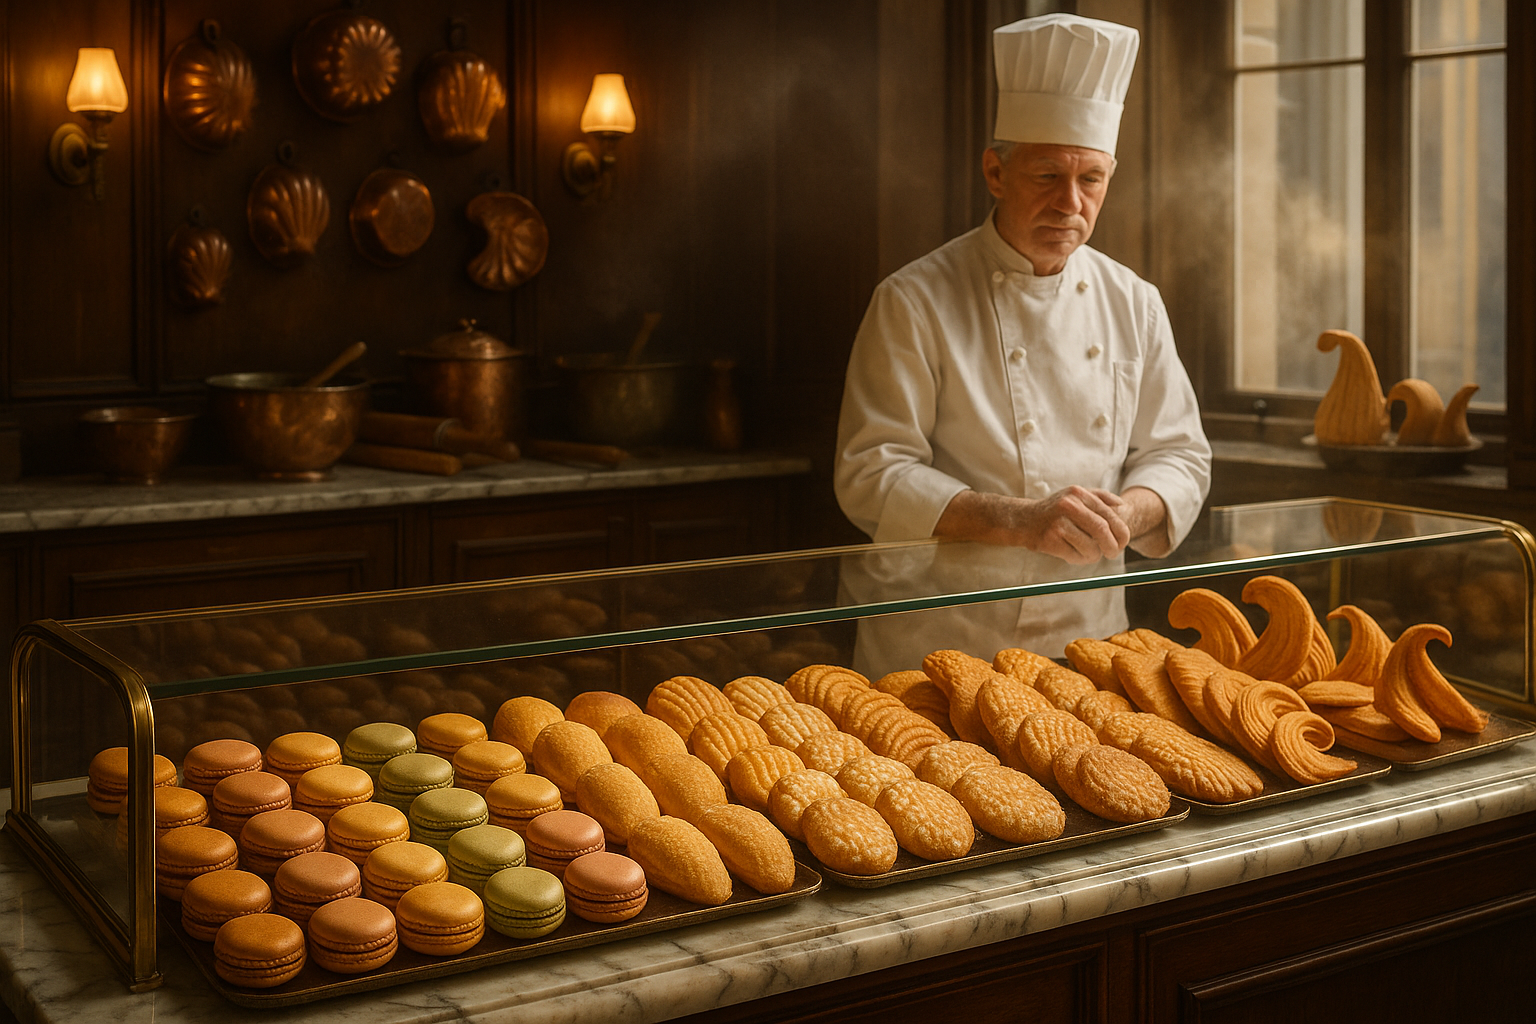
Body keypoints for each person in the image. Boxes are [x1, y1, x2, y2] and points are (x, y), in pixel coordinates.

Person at [833, 13, 1211, 671]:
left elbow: (1179, 455)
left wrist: (1126, 511)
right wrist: (1022, 521)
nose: (1071, 202)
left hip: (1086, 645)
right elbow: (871, 473)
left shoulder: (1135, 303)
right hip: (936, 642)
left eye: (1090, 179)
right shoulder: (914, 299)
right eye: (1047, 177)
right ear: (995, 172)